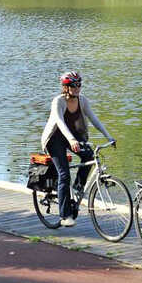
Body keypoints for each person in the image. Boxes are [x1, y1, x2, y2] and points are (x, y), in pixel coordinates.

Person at [41, 71, 116, 227]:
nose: (77, 88)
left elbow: (94, 119)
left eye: (79, 85)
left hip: (72, 137)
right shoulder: (58, 102)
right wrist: (72, 140)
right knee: (64, 173)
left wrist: (109, 137)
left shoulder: (82, 101)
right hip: (55, 139)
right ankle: (65, 215)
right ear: (66, 87)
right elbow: (60, 122)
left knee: (89, 156)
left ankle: (78, 186)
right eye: (73, 86)